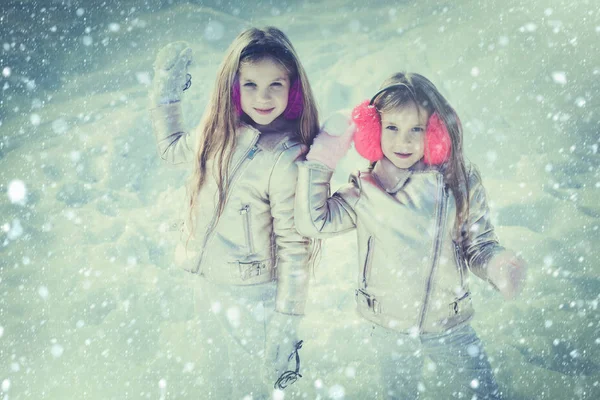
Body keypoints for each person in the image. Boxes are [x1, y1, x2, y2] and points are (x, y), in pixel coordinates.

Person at [294, 72, 527, 399]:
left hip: (450, 322)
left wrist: (498, 264)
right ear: (373, 132)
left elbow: (479, 244)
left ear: (436, 132)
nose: (403, 141)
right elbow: (313, 223)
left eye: (416, 129)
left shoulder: (459, 181)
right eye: (391, 128)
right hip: (389, 325)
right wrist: (321, 161)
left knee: (482, 393)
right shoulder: (367, 190)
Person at [148, 27, 320, 399]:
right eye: (251, 85)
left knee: (251, 389)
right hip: (208, 284)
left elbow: (294, 245)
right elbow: (171, 151)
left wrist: (286, 319)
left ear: (292, 87)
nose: (263, 97)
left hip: (252, 294)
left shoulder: (286, 156)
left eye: (275, 84)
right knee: (220, 382)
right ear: (233, 87)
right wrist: (166, 95)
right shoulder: (219, 134)